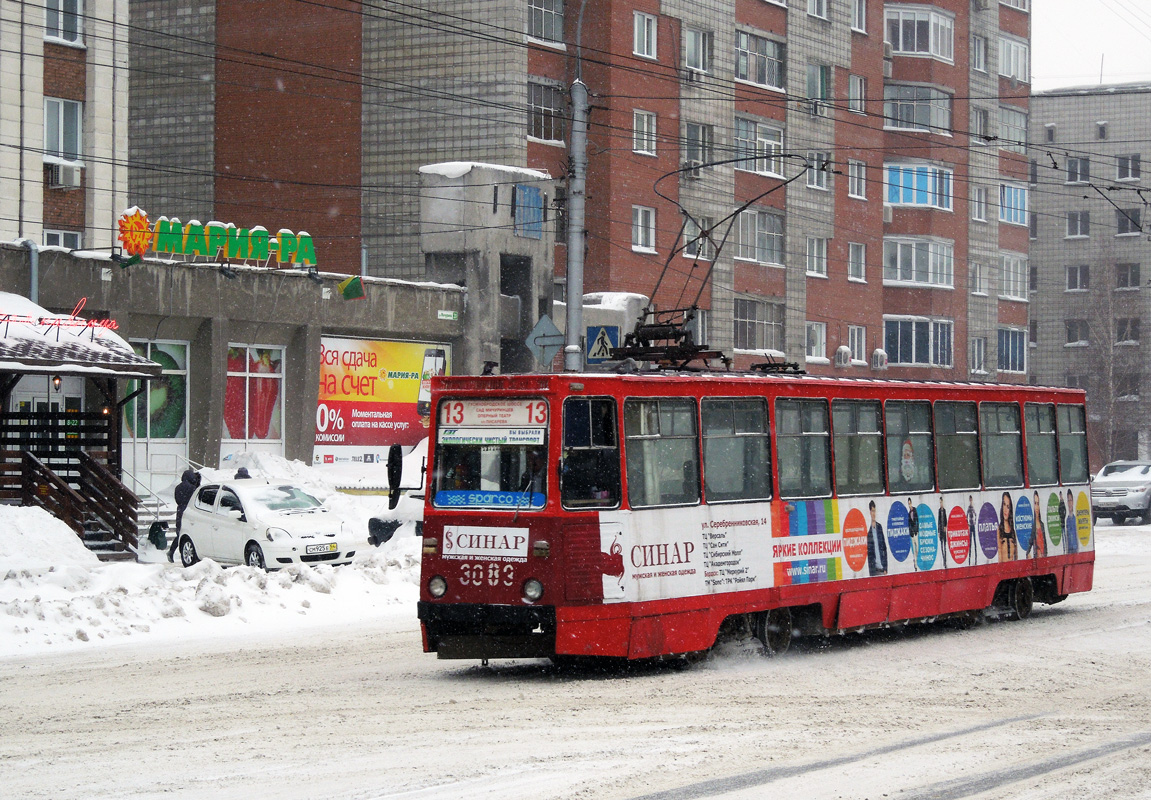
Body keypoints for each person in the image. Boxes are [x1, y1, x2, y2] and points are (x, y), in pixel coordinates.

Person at [168, 469, 201, 562]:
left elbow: (177, 500)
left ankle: (171, 551)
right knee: (190, 533)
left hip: (180, 510)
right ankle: (190, 554)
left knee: (180, 533)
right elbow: (196, 499)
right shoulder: (192, 488)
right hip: (189, 511)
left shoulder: (178, 487)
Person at [866, 500, 887, 576]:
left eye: (874, 511)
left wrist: (885, 568)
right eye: (872, 511)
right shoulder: (869, 531)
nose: (873, 513)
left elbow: (884, 548)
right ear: (869, 512)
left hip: (882, 569)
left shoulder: (879, 527)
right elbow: (869, 553)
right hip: (874, 571)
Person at [998, 492, 1017, 562]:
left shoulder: (1012, 531)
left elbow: (1016, 556)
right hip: (1003, 568)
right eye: (1004, 505)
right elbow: (999, 555)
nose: (1005, 509)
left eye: (1008, 507)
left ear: (1010, 510)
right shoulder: (999, 530)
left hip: (1014, 568)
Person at [1032, 491, 1047, 560]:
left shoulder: (1042, 524)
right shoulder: (1033, 525)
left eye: (1038, 503)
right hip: (1037, 558)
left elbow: (1045, 544)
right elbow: (1030, 542)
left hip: (1043, 558)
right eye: (1035, 503)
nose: (1037, 507)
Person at [938, 496, 949, 568]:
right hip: (941, 530)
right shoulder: (939, 511)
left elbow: (946, 520)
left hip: (944, 530)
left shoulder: (944, 511)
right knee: (942, 546)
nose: (941, 504)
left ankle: (945, 561)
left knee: (944, 546)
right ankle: (943, 558)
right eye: (940, 502)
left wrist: (945, 526)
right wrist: (939, 531)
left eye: (941, 502)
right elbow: (939, 521)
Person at [967, 495, 977, 567]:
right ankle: (970, 556)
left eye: (971, 499)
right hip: (970, 525)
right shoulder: (969, 508)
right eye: (970, 499)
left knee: (974, 540)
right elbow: (966, 515)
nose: (971, 500)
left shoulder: (973, 507)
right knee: (970, 541)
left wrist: (975, 521)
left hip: (973, 525)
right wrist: (968, 523)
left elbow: (975, 514)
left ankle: (976, 555)